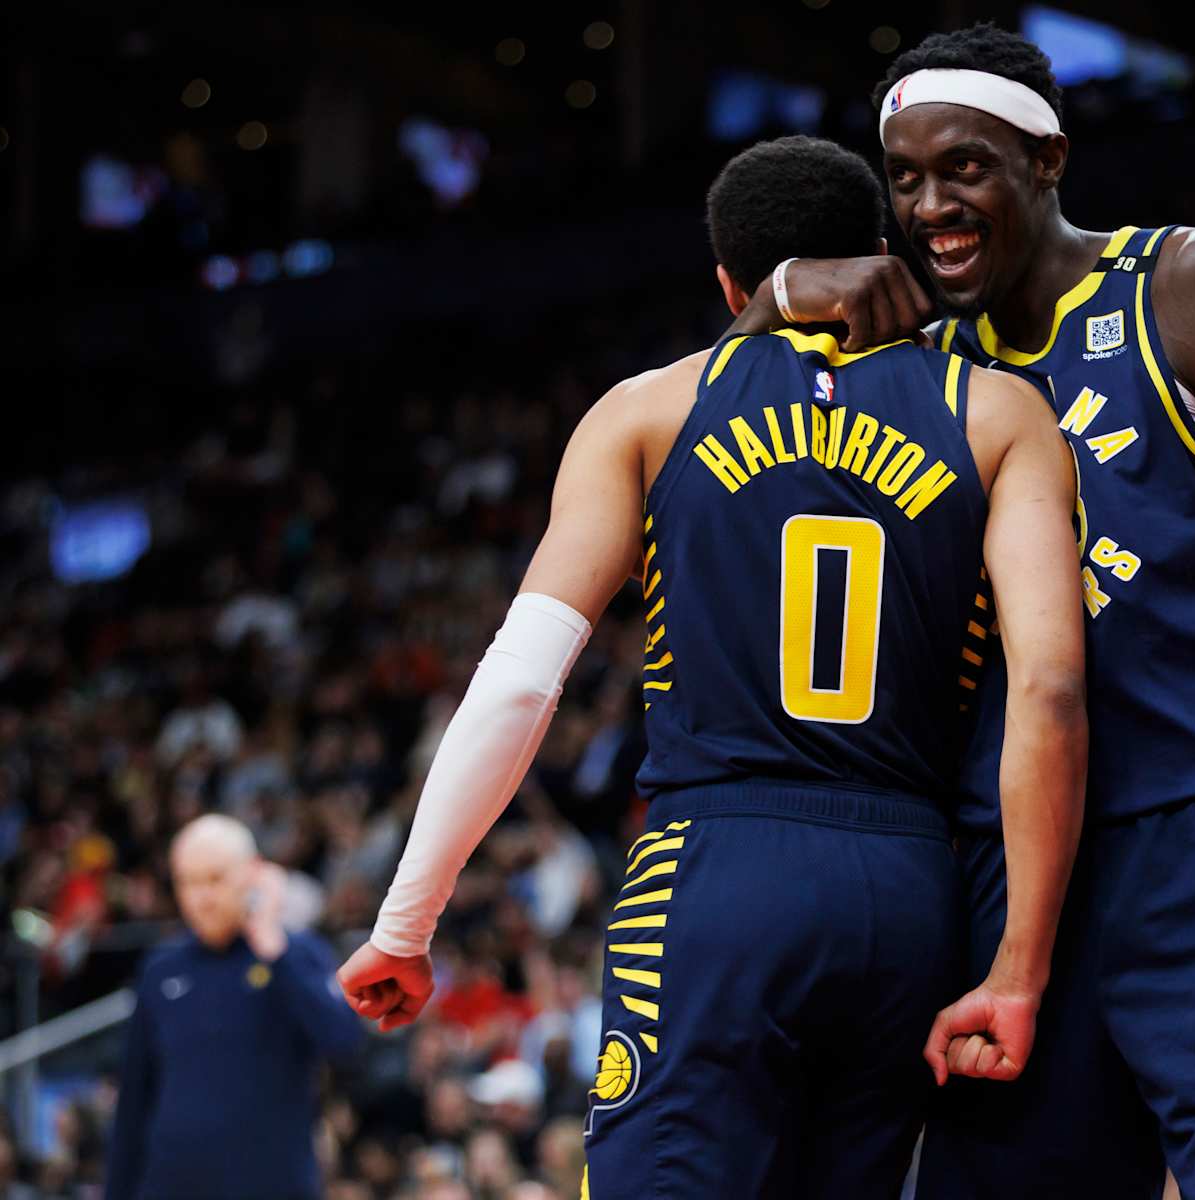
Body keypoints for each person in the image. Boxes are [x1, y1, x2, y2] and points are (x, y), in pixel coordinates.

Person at [727, 24, 1195, 1198]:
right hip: (1018, 887)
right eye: (904, 181)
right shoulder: (913, 356)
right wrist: (777, 293)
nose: (930, 205)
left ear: (1047, 159)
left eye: (963, 166)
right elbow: (706, 434)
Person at [335, 135, 1087, 1198]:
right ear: (877, 252)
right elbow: (1051, 692)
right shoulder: (1000, 412)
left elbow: (521, 679)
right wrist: (1020, 961)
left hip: (717, 869)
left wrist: (404, 928)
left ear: (732, 284)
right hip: (912, 888)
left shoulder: (648, 410)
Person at [105, 814, 364, 1200]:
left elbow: (345, 1042)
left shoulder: (297, 956)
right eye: (188, 882)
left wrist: (273, 949)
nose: (201, 897)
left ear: (253, 874)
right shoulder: (161, 969)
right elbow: (134, 1100)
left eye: (215, 879)